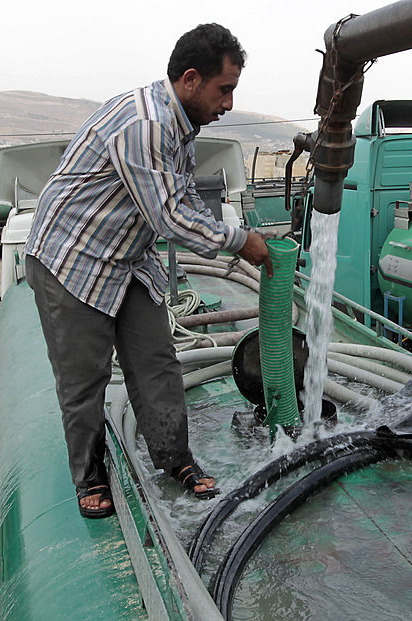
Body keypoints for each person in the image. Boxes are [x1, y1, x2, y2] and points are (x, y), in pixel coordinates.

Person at [24, 23, 272, 519]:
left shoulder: (181, 127)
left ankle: (174, 459)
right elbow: (172, 219)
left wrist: (233, 230)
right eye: (224, 90)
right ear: (191, 79)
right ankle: (89, 475)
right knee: (84, 378)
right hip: (72, 259)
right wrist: (241, 242)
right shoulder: (148, 123)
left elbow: (181, 200)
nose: (227, 104)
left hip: (127, 258)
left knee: (157, 361)